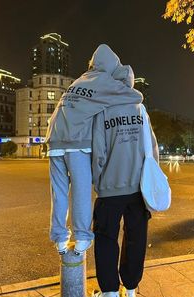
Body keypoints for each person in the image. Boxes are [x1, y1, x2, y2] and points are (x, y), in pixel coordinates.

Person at [45, 45, 143, 256]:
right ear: (110, 66)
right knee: (80, 190)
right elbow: (134, 97)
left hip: (54, 139)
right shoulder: (104, 81)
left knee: (59, 192)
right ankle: (82, 237)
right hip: (77, 140)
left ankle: (60, 238)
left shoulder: (79, 81)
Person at [91, 64, 159, 297]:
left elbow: (98, 152)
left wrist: (98, 181)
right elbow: (152, 149)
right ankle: (130, 293)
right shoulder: (140, 110)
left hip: (110, 188)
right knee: (136, 239)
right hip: (138, 189)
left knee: (106, 239)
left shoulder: (103, 110)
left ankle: (109, 296)